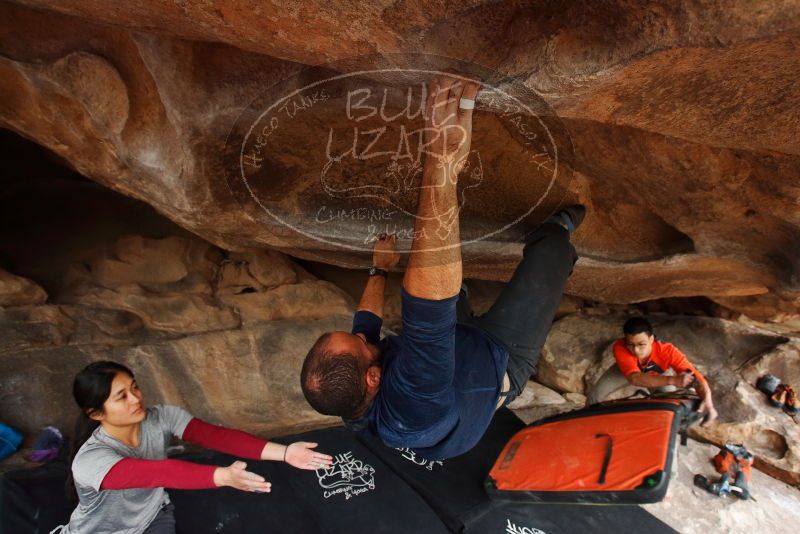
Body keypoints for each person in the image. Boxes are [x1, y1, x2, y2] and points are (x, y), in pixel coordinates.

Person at [300, 74, 583, 460]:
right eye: (362, 347)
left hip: (454, 344)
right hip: (498, 361)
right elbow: (427, 307)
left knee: (447, 297)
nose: (366, 337)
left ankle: (463, 300)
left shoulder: (351, 390)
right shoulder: (416, 400)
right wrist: (442, 162)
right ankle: (556, 231)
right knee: (548, 256)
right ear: (373, 379)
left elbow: (363, 327)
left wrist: (379, 270)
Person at [52, 360, 332, 534]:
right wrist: (222, 476)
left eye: (135, 387)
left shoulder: (160, 416)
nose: (136, 399)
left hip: (153, 518)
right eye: (121, 397)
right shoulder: (90, 460)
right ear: (96, 413)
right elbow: (157, 473)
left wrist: (285, 452)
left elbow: (214, 436)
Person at [585, 317, 718, 425]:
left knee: (670, 406)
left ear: (651, 339)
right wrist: (672, 380)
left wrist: (709, 403)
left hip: (658, 377)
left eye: (641, 344)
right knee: (594, 395)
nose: (636, 350)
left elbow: (697, 379)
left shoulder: (668, 351)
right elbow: (634, 378)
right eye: (631, 344)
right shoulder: (620, 346)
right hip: (624, 372)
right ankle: (589, 426)